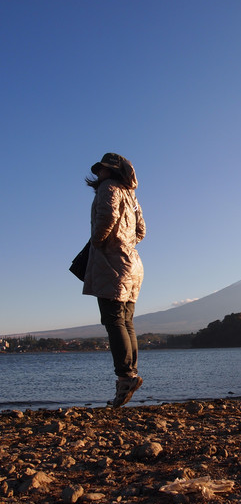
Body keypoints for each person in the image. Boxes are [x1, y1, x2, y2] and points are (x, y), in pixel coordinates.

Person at [83, 152, 146, 407]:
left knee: (113, 319)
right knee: (126, 320)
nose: (99, 173)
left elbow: (107, 217)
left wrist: (100, 242)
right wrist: (126, 243)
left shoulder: (108, 187)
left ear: (111, 171)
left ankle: (126, 376)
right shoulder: (131, 196)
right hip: (132, 264)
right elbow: (141, 230)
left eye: (102, 169)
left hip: (112, 263)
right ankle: (128, 376)